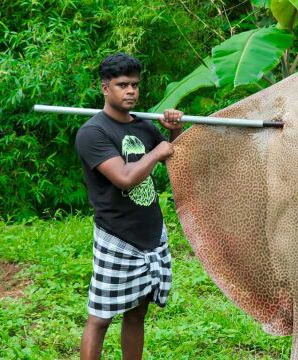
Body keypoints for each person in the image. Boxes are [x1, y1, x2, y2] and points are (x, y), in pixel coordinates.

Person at [75, 53, 183, 359]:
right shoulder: (93, 133)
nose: (131, 91)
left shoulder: (144, 126)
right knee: (101, 317)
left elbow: (177, 155)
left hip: (150, 233)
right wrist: (156, 153)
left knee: (137, 312)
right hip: (116, 236)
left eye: (134, 84)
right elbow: (124, 178)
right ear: (105, 88)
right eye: (122, 85)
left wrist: (173, 130)